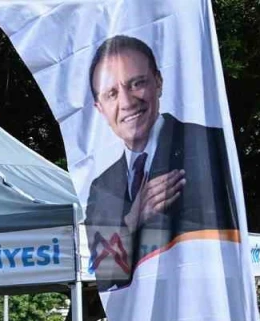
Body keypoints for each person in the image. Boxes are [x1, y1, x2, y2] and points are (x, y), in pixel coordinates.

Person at [83, 35, 236, 290]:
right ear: (100, 108)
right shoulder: (101, 188)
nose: (127, 102)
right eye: (111, 94)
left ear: (158, 82)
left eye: (137, 83)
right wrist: (133, 220)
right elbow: (106, 275)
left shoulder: (209, 146)